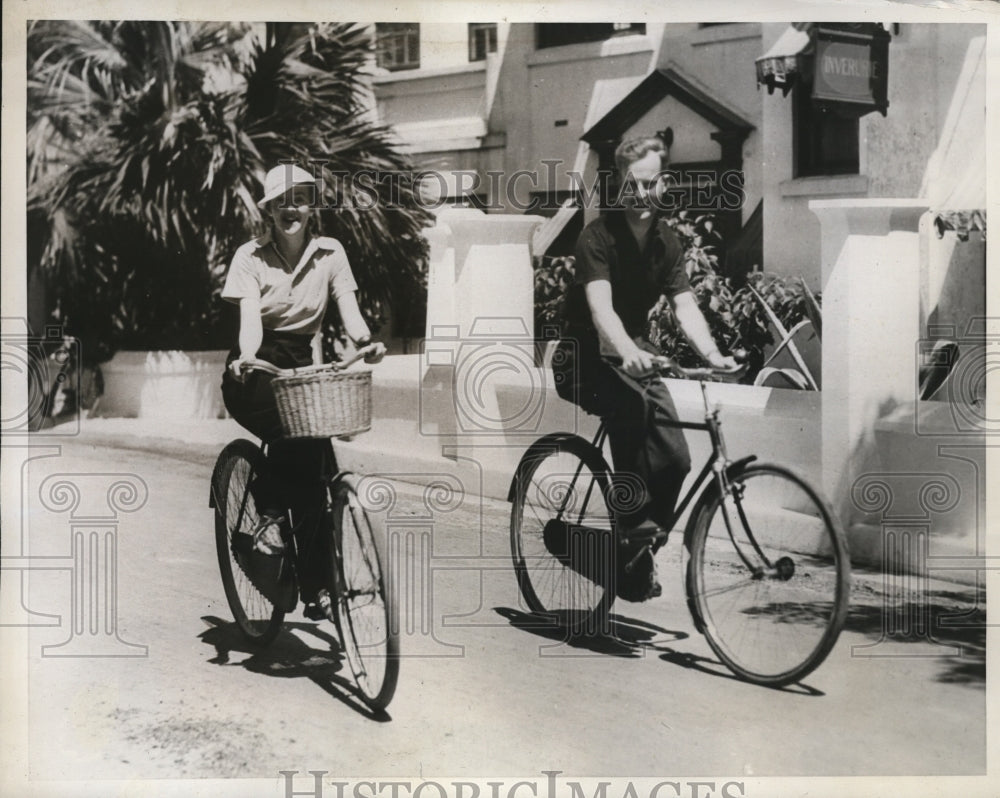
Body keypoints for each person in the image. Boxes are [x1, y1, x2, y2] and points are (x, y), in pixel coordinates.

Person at [554, 136, 737, 602]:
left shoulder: (666, 242)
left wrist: (713, 355)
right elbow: (601, 310)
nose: (641, 195)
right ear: (620, 184)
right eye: (632, 185)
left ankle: (637, 549)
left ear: (664, 183)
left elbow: (686, 307)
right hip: (583, 355)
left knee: (677, 457)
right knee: (629, 412)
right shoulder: (596, 237)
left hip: (635, 353)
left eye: (650, 184)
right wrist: (624, 350)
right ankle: (629, 532)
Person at [220, 163, 385, 605]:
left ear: (312, 207)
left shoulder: (331, 253)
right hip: (255, 365)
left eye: (300, 199)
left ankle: (316, 590)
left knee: (316, 463)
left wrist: (366, 342)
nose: (290, 209)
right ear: (269, 211)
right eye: (281, 202)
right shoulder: (249, 256)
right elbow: (250, 319)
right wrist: (249, 357)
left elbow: (349, 310)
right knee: (296, 437)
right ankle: (270, 514)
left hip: (301, 366)